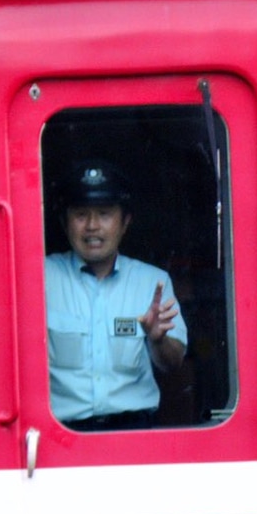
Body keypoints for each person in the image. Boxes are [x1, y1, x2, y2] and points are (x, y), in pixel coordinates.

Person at [44, 162, 187, 428]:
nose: (92, 226)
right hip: (60, 437)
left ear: (125, 222)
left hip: (133, 434)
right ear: (65, 222)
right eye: (80, 214)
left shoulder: (152, 283)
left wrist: (158, 341)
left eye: (105, 214)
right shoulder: (39, 278)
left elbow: (173, 364)